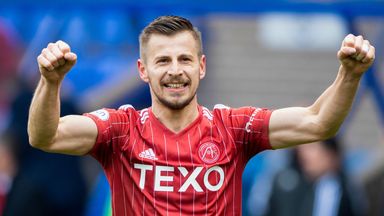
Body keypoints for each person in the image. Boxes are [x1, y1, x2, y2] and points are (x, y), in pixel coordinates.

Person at [27, 15, 375, 215]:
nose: (175, 70)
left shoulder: (234, 128)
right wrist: (51, 81)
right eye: (162, 60)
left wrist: (350, 73)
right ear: (143, 70)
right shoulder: (120, 129)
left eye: (185, 59)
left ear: (202, 66)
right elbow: (45, 135)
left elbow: (319, 121)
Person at [264, 138, 365, 216]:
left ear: (330, 154)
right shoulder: (291, 184)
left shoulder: (346, 188)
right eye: (302, 150)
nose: (304, 155)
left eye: (312, 148)